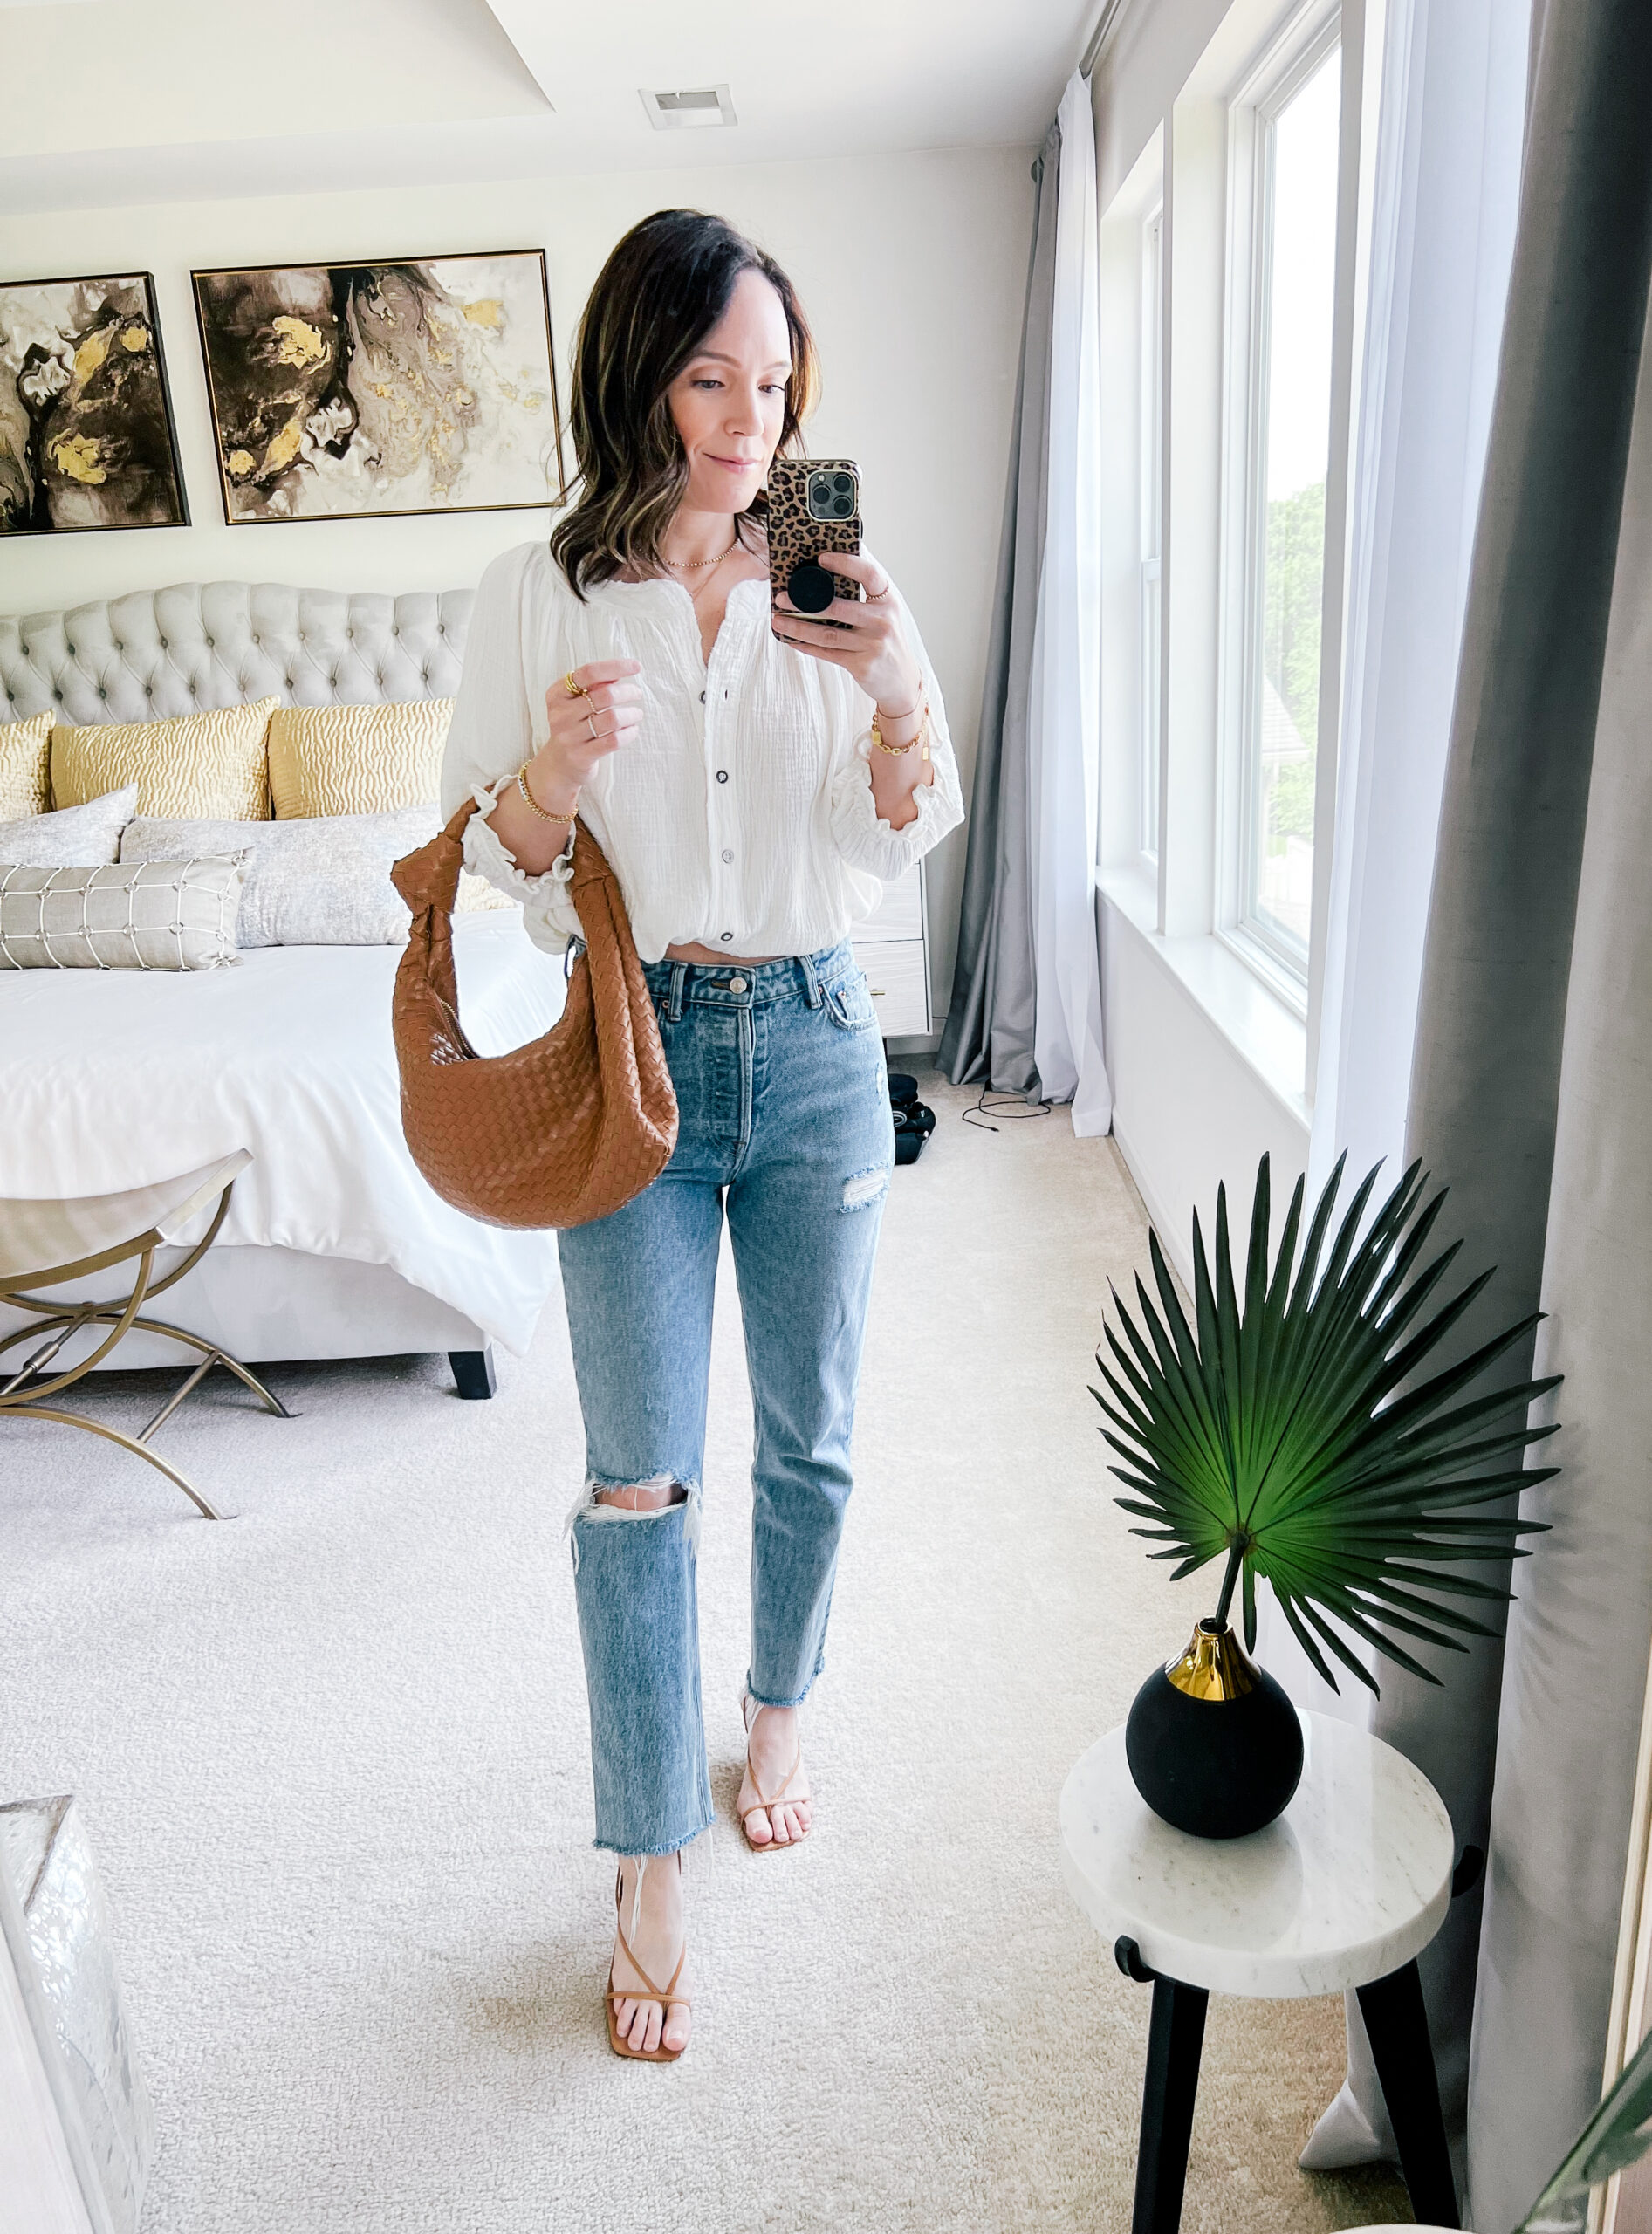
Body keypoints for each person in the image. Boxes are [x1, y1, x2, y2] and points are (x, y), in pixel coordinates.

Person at [441, 209, 963, 2062]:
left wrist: (894, 674)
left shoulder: (823, 552)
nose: (748, 420)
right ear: (638, 376)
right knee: (632, 1477)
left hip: (819, 1036)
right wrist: (553, 778)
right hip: (636, 1058)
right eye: (710, 377)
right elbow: (481, 868)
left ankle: (782, 1707)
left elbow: (900, 824)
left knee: (810, 1440)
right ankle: (649, 1853)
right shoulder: (537, 588)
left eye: (774, 383)